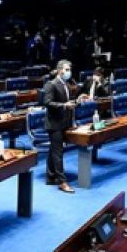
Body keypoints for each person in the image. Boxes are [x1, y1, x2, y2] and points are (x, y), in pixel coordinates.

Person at [43, 60, 76, 194]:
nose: (69, 72)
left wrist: (77, 101)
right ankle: (62, 182)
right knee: (58, 152)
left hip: (64, 122)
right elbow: (48, 103)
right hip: (54, 124)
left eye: (69, 70)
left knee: (53, 150)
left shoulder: (66, 84)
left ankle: (50, 176)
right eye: (67, 69)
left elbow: (67, 103)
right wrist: (64, 105)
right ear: (60, 70)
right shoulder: (51, 84)